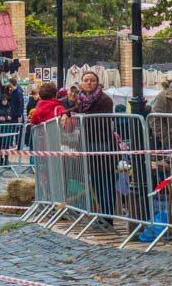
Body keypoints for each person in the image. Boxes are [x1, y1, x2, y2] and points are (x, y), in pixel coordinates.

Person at [69, 71, 117, 227]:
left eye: (92, 80)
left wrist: (81, 117)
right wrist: (65, 114)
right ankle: (100, 215)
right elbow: (75, 110)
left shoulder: (104, 100)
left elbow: (97, 119)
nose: (89, 83)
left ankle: (107, 217)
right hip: (87, 143)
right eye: (86, 80)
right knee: (95, 181)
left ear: (97, 83)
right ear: (81, 83)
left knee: (105, 181)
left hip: (102, 143)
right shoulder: (82, 99)